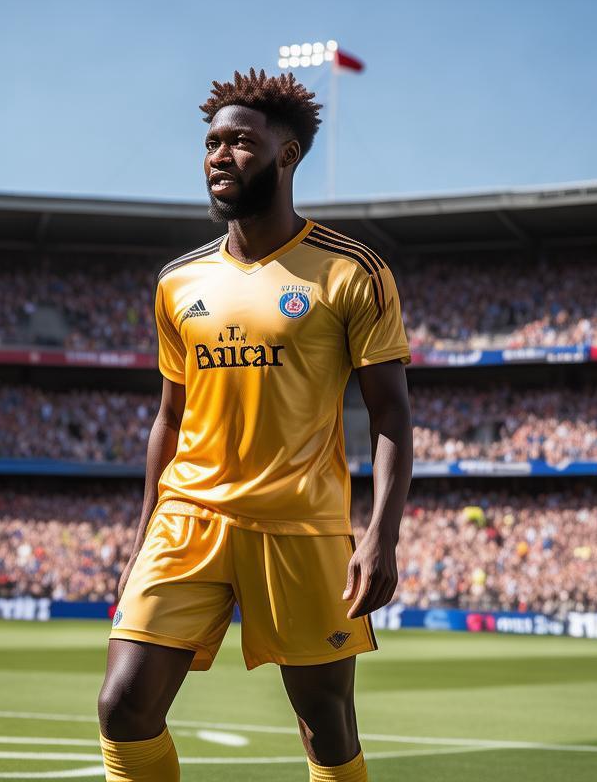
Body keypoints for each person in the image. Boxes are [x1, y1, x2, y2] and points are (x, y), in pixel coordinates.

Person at [96, 69, 413, 782]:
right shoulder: (178, 281)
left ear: (287, 155)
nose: (220, 155)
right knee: (123, 705)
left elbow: (391, 412)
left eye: (241, 141)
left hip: (299, 522)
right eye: (211, 142)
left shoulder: (352, 271)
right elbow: (170, 415)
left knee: (325, 726)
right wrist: (142, 535)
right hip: (190, 516)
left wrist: (381, 534)